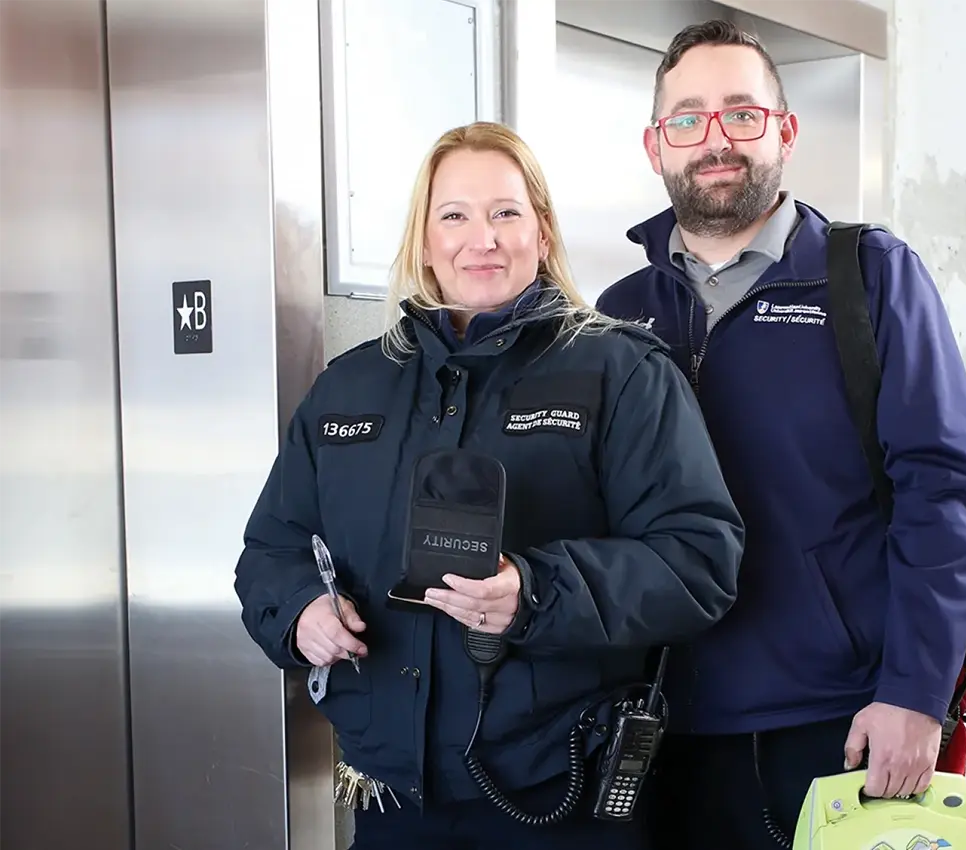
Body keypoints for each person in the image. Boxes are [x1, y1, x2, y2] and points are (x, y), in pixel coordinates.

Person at [233, 120, 745, 850]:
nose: (484, 238)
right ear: (424, 239)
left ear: (541, 230)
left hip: (559, 794)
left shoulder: (621, 373)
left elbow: (700, 559)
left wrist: (534, 593)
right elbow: (269, 550)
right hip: (393, 802)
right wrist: (297, 613)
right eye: (455, 215)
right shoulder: (348, 388)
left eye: (507, 212)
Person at [595, 20, 966, 850]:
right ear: (654, 144)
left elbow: (943, 497)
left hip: (838, 727)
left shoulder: (870, 277)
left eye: (742, 113)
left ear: (785, 129)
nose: (715, 140)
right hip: (659, 727)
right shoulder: (620, 311)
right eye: (688, 118)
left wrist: (917, 694)